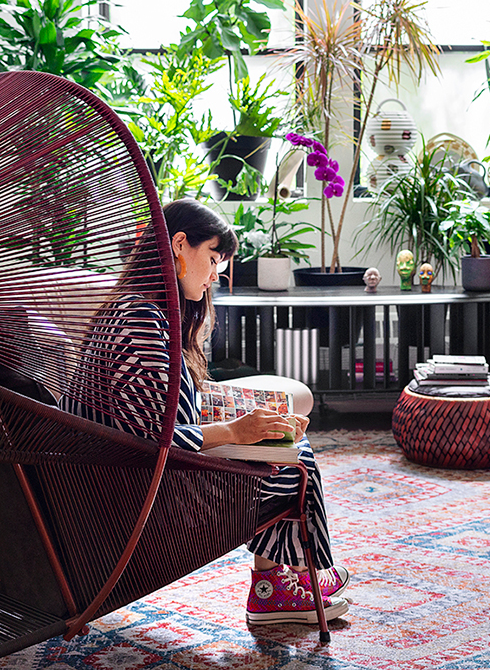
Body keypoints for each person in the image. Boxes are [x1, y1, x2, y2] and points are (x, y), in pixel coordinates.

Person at [60, 198, 350, 626]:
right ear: (180, 244)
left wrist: (248, 421)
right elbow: (159, 438)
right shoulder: (140, 319)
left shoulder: (137, 307)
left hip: (128, 474)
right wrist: (236, 430)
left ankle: (283, 582)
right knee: (294, 463)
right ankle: (279, 588)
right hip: (139, 499)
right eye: (213, 259)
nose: (216, 275)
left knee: (281, 438)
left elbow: (160, 412)